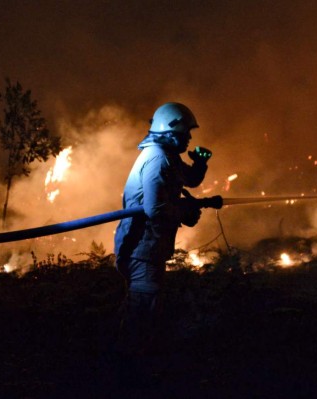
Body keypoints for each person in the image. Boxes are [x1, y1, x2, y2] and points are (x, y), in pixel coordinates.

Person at [113, 102, 211, 386]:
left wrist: (201, 164)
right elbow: (155, 208)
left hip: (148, 249)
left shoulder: (166, 155)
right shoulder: (156, 158)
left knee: (143, 306)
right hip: (141, 249)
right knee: (143, 307)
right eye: (186, 132)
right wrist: (185, 212)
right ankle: (127, 374)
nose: (189, 139)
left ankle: (131, 366)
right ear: (171, 130)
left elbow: (188, 180)